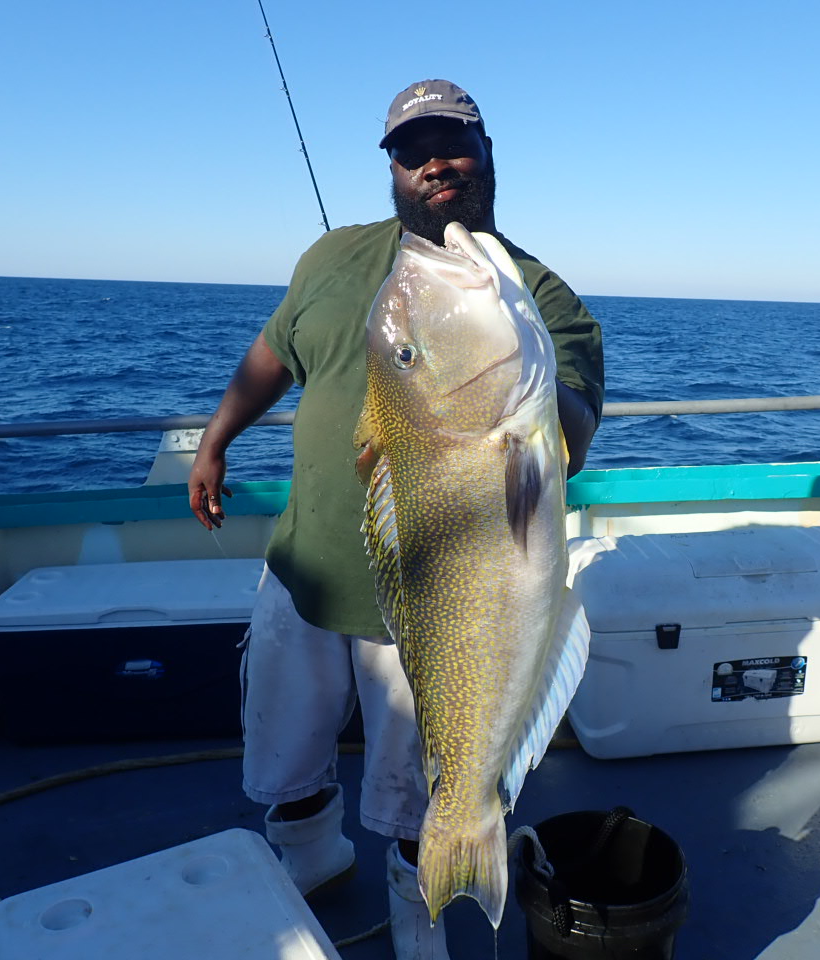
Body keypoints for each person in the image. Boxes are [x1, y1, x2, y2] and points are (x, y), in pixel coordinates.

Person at [188, 79, 604, 959]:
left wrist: (529, 384)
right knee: (285, 759)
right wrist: (216, 438)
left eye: (452, 146)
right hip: (304, 570)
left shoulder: (538, 294)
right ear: (394, 171)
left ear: (486, 154)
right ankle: (310, 857)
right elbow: (273, 351)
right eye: (413, 154)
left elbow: (572, 430)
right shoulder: (333, 257)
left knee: (427, 789)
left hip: (427, 608)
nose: (434, 166)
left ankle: (425, 904)